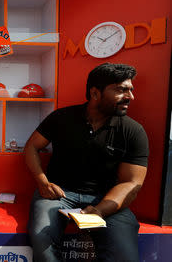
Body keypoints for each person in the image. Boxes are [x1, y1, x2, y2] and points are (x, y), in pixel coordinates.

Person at [24, 63, 149, 262]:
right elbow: (31, 147)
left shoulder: (133, 131)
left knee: (125, 255)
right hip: (59, 195)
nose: (130, 97)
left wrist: (100, 210)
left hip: (107, 200)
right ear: (95, 93)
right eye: (121, 90)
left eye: (130, 90)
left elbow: (131, 183)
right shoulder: (61, 118)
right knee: (41, 238)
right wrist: (42, 182)